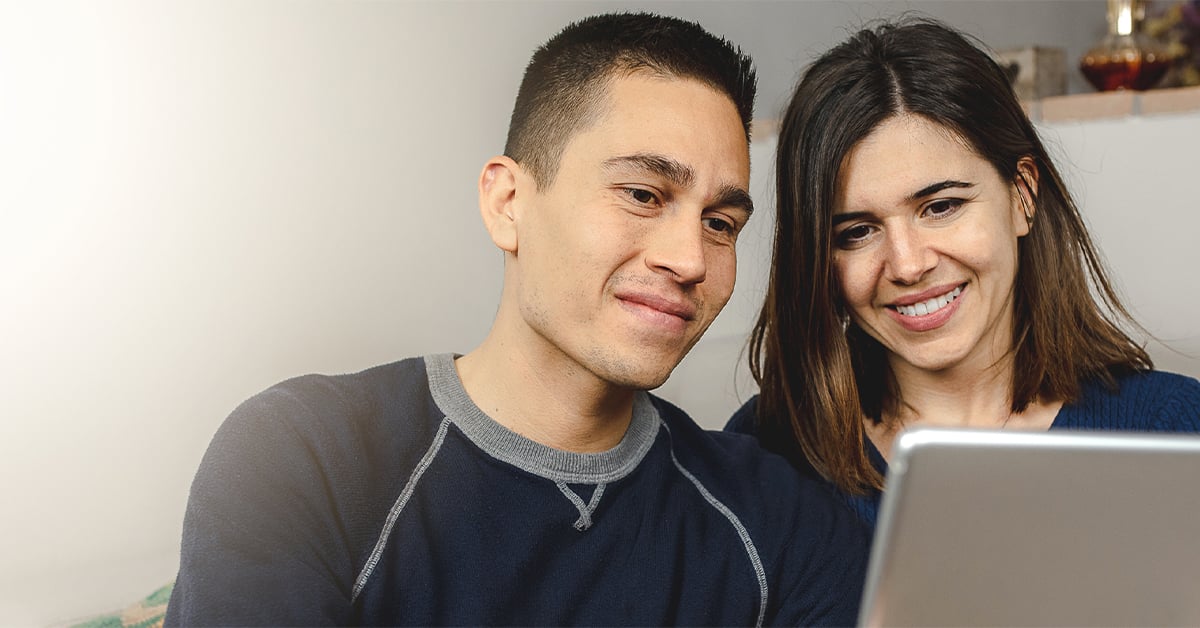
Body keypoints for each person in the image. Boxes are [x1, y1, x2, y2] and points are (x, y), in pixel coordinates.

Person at [165, 12, 870, 626]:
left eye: (720, 222)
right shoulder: (303, 457)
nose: (690, 259)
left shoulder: (780, 518)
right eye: (642, 193)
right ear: (508, 202)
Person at [726, 17, 1200, 528]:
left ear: (1022, 195)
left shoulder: (1171, 427)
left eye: (941, 206)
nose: (908, 265)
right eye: (857, 232)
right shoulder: (764, 451)